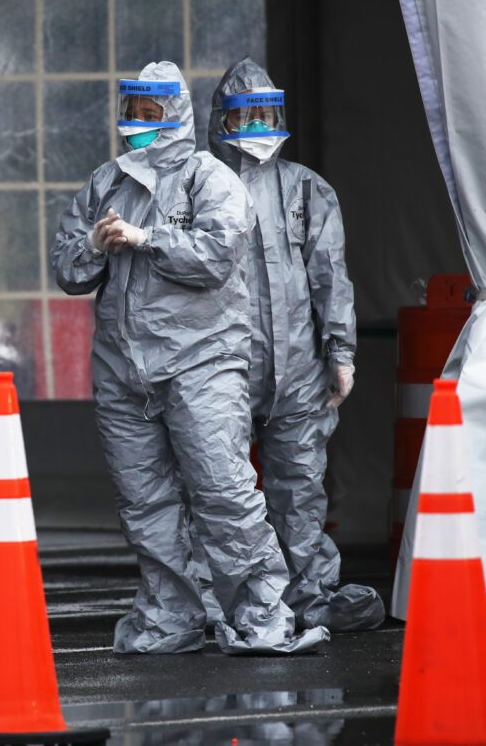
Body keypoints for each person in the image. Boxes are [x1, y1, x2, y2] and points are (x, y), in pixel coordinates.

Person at [49, 60, 327, 655]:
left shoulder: (209, 178)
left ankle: (262, 615)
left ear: (176, 113)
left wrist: (147, 238)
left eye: (154, 114)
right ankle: (170, 617)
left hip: (201, 366)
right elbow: (66, 268)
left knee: (224, 491)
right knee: (144, 500)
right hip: (124, 372)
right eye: (135, 113)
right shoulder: (107, 180)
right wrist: (94, 244)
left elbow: (215, 257)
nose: (142, 124)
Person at [203, 57, 384, 632]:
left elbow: (330, 274)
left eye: (267, 114)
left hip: (297, 371)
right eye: (245, 115)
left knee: (299, 488)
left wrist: (342, 353)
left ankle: (309, 595)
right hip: (219, 367)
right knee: (218, 489)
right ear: (220, 121)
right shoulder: (198, 184)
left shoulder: (307, 189)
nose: (258, 127)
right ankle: (220, 600)